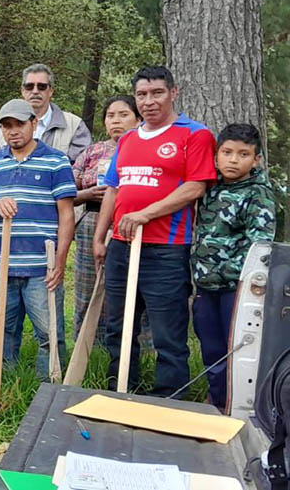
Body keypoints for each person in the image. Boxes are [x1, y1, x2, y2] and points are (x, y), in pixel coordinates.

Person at [93, 66, 217, 397]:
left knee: (168, 332)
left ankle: (168, 398)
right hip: (121, 246)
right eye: (142, 95)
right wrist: (100, 238)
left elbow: (195, 187)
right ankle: (120, 389)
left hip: (166, 249)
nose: (149, 101)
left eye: (157, 93)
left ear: (173, 93)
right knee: (118, 326)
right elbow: (113, 189)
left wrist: (144, 214)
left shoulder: (194, 134)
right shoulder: (129, 139)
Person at [0, 99, 75, 381]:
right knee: (4, 328)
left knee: (48, 330)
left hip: (41, 266)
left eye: (19, 124)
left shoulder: (56, 160)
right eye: (6, 126)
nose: (13, 131)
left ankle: (50, 387)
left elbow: (66, 214)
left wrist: (59, 261)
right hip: (2, 264)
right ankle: (6, 384)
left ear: (34, 123)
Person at [192, 123, 276, 410]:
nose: (233, 160)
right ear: (216, 156)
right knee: (211, 349)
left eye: (243, 154)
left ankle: (237, 408)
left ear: (256, 160)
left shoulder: (258, 194)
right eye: (226, 152)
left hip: (236, 289)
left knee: (236, 351)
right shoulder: (210, 187)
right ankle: (216, 403)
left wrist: (233, 274)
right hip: (206, 285)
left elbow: (261, 246)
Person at [70, 97, 141, 339]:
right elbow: (67, 192)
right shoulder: (92, 152)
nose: (116, 121)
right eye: (111, 116)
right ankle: (86, 342)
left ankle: (133, 343)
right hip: (93, 220)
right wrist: (88, 194)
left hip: (132, 222)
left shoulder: (145, 148)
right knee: (88, 284)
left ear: (138, 119)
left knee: (131, 285)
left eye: (123, 115)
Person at [0, 64, 92, 162]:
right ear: (23, 91)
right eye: (29, 86)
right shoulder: (3, 123)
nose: (35, 91)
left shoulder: (74, 125)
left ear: (50, 91)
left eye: (41, 87)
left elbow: (83, 166)